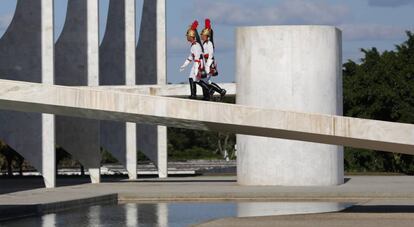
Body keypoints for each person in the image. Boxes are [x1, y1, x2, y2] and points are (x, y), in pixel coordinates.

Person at [180, 20, 211, 100]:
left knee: (196, 79)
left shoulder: (195, 46)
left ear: (191, 37)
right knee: (193, 78)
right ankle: (195, 94)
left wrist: (197, 68)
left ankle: (202, 92)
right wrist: (184, 65)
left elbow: (197, 58)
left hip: (199, 64)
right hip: (197, 63)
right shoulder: (193, 45)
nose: (187, 37)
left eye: (188, 36)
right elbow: (190, 57)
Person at [200, 19, 226, 101]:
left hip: (209, 63)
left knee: (203, 81)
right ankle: (209, 94)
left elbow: (210, 55)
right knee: (205, 81)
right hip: (206, 63)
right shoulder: (204, 43)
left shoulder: (209, 43)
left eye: (203, 35)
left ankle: (218, 91)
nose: (201, 36)